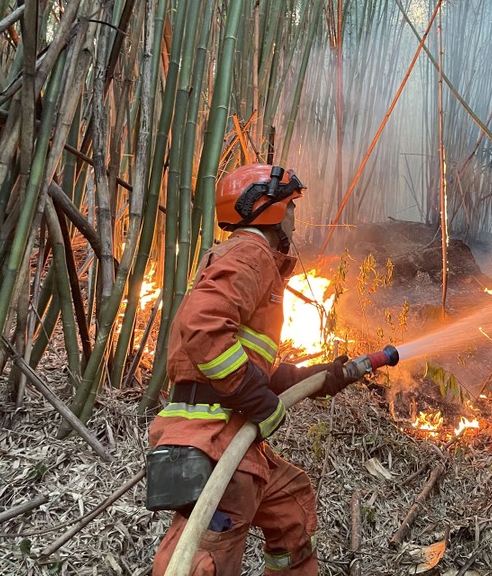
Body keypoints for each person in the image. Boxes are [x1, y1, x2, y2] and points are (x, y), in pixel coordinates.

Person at [148, 163, 351, 575]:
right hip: (216, 441)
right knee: (205, 557)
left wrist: (313, 378)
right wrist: (256, 399)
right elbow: (202, 323)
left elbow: (247, 368)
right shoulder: (251, 253)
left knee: (289, 503)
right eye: (291, 205)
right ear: (268, 209)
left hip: (228, 435)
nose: (295, 216)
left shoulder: (252, 259)